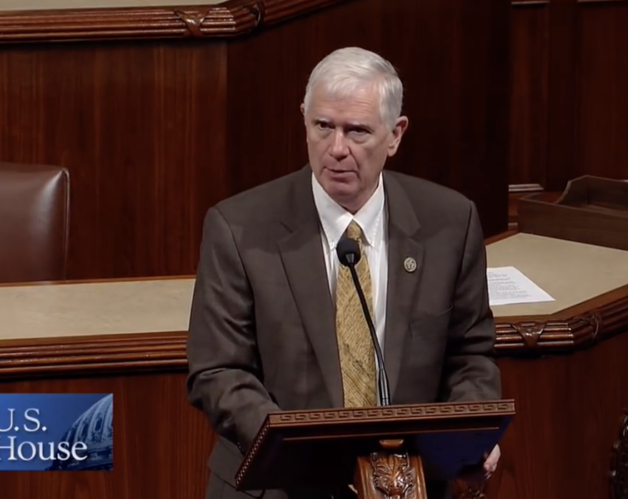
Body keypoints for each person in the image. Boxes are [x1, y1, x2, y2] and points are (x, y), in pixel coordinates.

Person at [186, 46, 501, 499]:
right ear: (304, 120)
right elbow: (217, 370)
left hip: (408, 484)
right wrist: (296, 449)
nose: (337, 149)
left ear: (395, 135)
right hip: (279, 485)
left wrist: (466, 435)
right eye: (323, 127)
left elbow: (471, 354)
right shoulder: (239, 228)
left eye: (357, 131)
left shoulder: (449, 223)